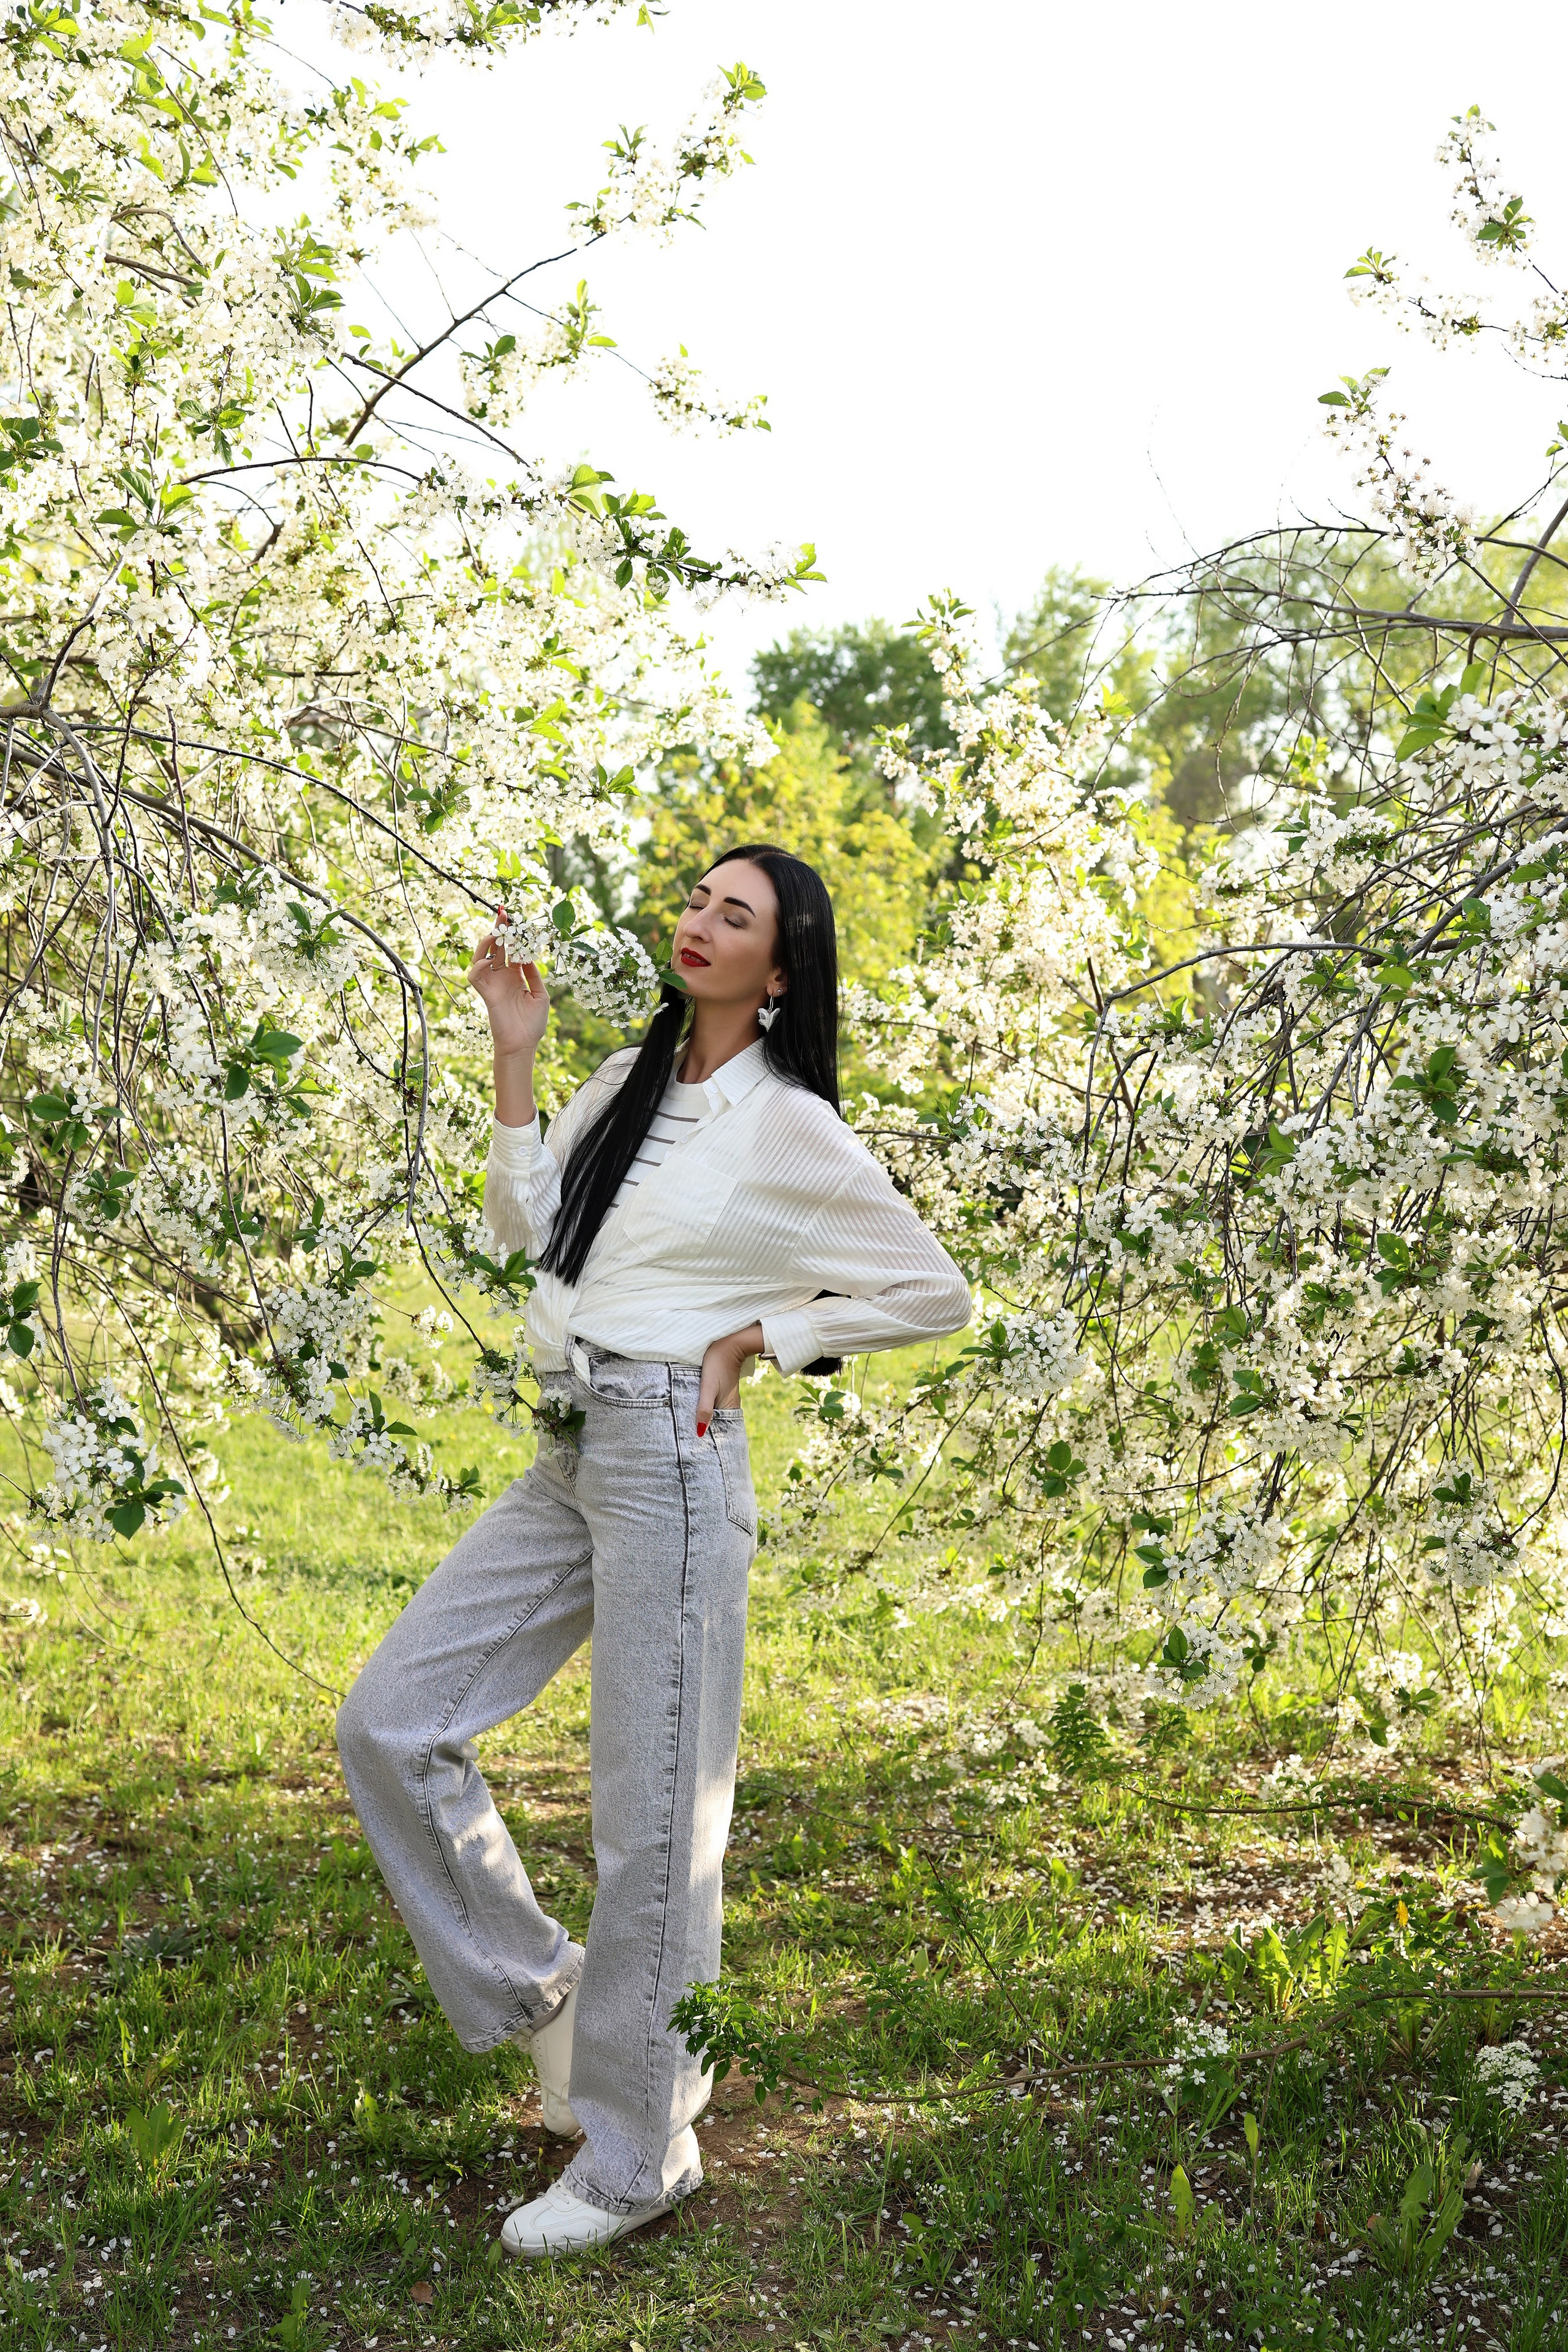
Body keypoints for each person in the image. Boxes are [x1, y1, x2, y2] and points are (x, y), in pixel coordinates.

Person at [335, 844, 971, 2256]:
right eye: (696, 900)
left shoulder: (789, 1125)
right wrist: (516, 1051)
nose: (697, 924)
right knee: (392, 1721)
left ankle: (639, 2152)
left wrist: (771, 1336)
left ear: (781, 968)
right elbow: (526, 1230)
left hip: (670, 1464)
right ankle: (549, 1999)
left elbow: (934, 1290)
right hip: (571, 1446)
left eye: (732, 916)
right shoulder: (629, 1085)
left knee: (654, 1822)